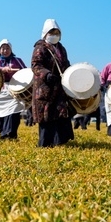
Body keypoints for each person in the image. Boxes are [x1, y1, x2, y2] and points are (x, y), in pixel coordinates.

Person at [31, 18, 74, 147]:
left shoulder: (62, 49)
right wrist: (47, 74)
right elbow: (36, 65)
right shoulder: (40, 48)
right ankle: (45, 143)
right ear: (45, 34)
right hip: (45, 87)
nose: (54, 35)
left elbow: (66, 65)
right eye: (51, 33)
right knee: (46, 115)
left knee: (60, 114)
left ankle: (59, 142)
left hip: (59, 87)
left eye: (56, 33)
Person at [0, 39, 27, 139]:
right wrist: (2, 70)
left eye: (7, 48)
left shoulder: (17, 61)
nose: (5, 50)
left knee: (14, 112)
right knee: (1, 114)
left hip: (15, 89)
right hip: (1, 90)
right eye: (3, 48)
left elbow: (25, 72)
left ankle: (11, 134)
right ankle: (3, 134)